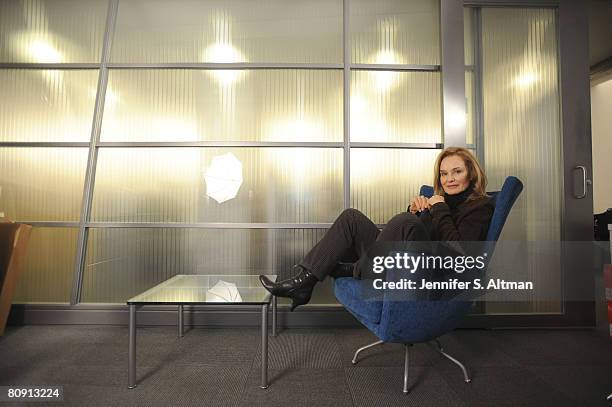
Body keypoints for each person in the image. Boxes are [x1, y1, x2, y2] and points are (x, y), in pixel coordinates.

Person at [259, 147, 494, 311]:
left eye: (457, 172)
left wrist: (437, 209)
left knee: (404, 221)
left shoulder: (479, 207)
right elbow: (419, 240)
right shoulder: (436, 203)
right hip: (401, 266)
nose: (449, 179)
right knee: (352, 217)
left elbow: (461, 253)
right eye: (444, 174)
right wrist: (419, 213)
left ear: (471, 174)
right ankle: (305, 281)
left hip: (431, 279)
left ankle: (354, 269)